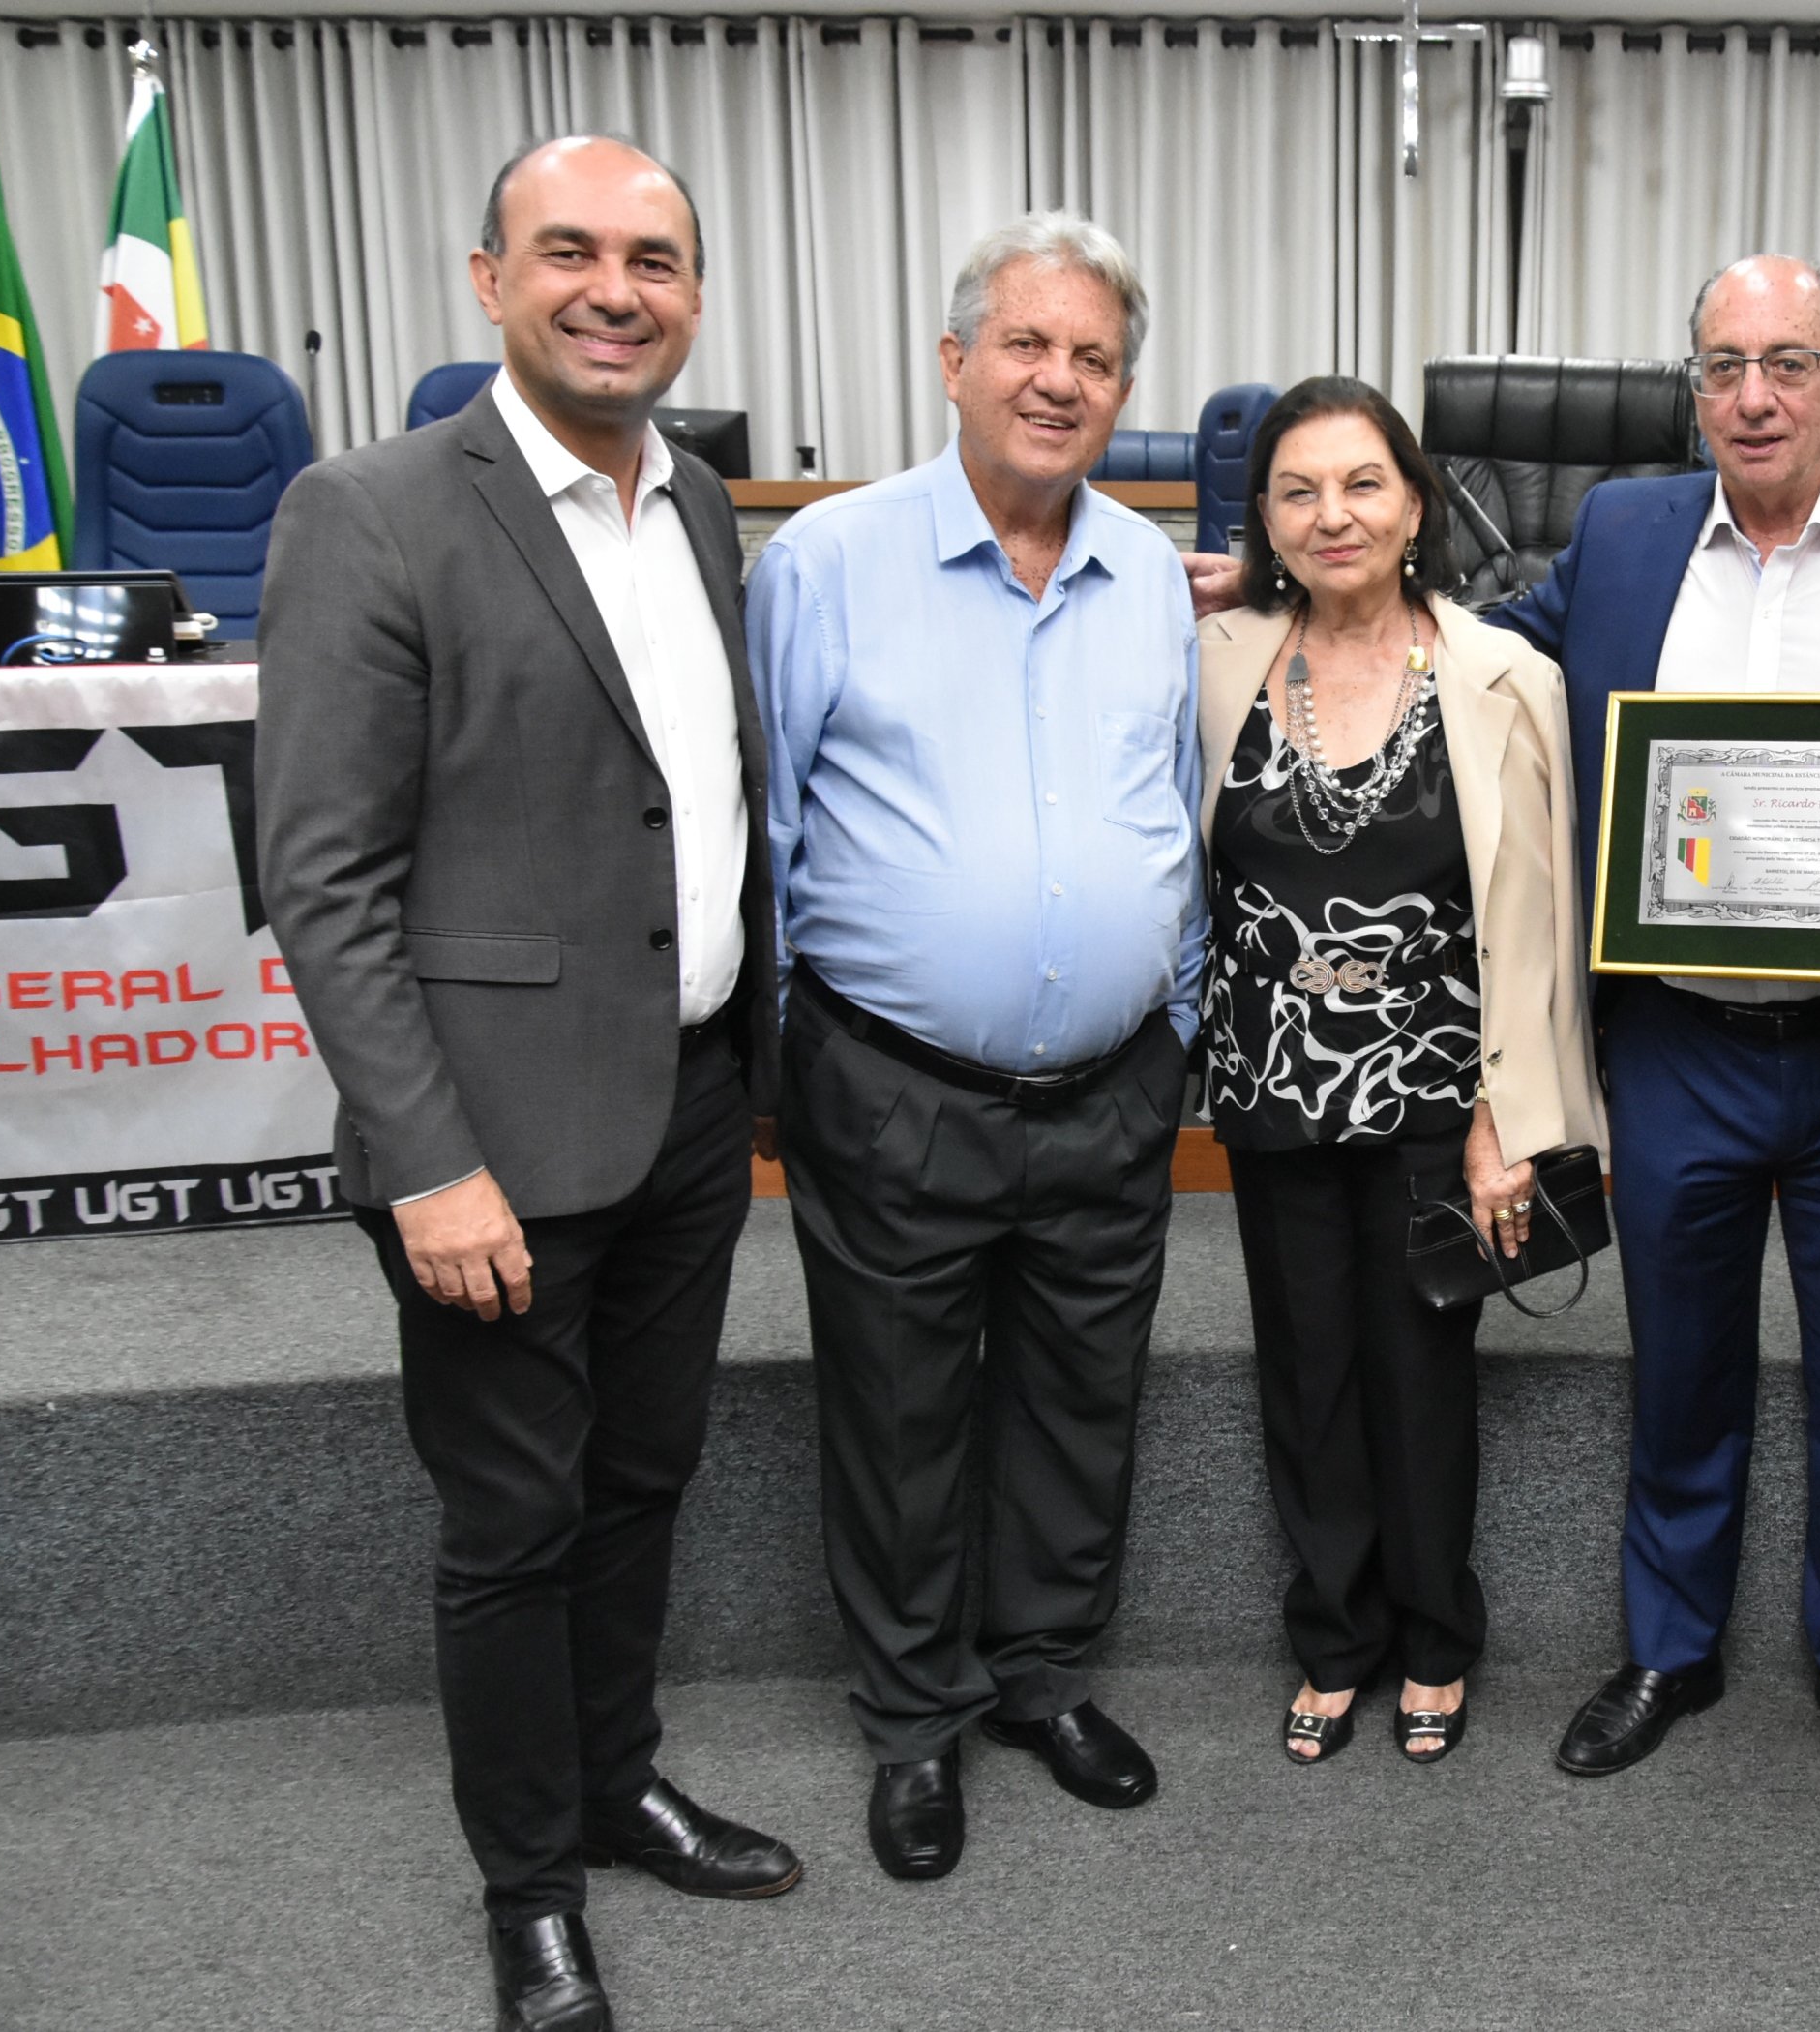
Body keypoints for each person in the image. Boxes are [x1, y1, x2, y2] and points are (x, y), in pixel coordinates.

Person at [257, 136, 799, 2032]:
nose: (613, 289)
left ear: (694, 296)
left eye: (654, 258)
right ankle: (530, 1889)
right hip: (488, 1143)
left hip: (684, 1109)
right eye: (568, 251)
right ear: (490, 280)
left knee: (642, 1478)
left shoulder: (701, 502)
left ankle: (614, 1778)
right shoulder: (372, 510)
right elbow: (321, 881)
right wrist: (426, 1164)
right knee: (512, 1531)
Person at [1489, 254, 1820, 1808]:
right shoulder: (1624, 532)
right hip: (1678, 1045)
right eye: (1724, 365)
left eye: (1789, 362)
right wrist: (1293, 598)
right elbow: (1490, 649)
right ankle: (1671, 1650)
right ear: (1695, 389)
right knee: (1681, 1366)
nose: (1754, 396)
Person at [748, 214, 1202, 1881]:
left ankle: (1044, 1679)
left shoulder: (1151, 577)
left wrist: (1177, 1023)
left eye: (1094, 358)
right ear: (954, 362)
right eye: (1027, 344)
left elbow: (1175, 809)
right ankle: (914, 1718)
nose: (1059, 381)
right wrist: (788, 1070)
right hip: (892, 1090)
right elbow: (766, 828)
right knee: (899, 1416)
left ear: (1123, 390)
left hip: (1113, 1091)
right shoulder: (826, 562)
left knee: (1085, 1402)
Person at [1194, 376, 1603, 1765]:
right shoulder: (1213, 663)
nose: (1335, 515)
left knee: (1422, 1373)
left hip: (1441, 1098)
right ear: (1264, 520)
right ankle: (1334, 1638)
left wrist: (1509, 1119)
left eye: (1364, 483)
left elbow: (1537, 921)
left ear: (1417, 503)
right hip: (1270, 1083)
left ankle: (1435, 1638)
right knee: (1305, 1372)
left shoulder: (1507, 676)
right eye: (1298, 491)